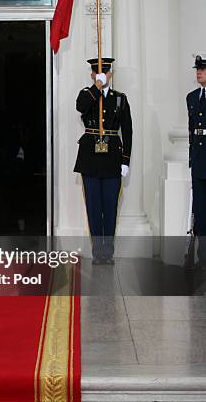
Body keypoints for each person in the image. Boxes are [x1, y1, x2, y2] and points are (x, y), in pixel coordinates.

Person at [75, 58, 132, 265]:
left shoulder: (120, 99)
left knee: (109, 207)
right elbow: (81, 107)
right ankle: (97, 251)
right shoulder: (86, 94)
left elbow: (128, 131)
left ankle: (107, 252)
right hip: (90, 159)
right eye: (98, 73)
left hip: (112, 159)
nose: (102, 75)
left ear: (111, 74)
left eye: (106, 73)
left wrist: (126, 160)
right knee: (93, 206)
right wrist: (97, 87)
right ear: (92, 74)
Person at [187, 54, 206, 269]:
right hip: (199, 161)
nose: (199, 72)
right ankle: (202, 257)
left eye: (202, 69)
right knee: (200, 212)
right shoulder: (192, 97)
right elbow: (192, 130)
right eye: (197, 69)